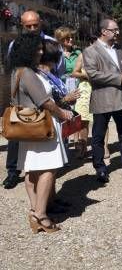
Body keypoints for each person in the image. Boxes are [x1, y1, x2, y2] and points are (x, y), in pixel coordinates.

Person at [9, 33, 74, 233]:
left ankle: (35, 209)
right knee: (48, 169)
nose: (40, 51)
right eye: (37, 48)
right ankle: (41, 215)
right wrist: (63, 112)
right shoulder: (28, 72)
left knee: (32, 169)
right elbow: (44, 101)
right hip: (41, 126)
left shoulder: (17, 71)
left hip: (28, 127)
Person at [3, 11, 58, 189]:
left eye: (35, 25)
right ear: (22, 25)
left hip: (45, 93)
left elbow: (59, 68)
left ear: (41, 23)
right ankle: (13, 172)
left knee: (45, 138)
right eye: (28, 26)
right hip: (24, 97)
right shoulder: (15, 44)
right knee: (17, 132)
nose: (33, 28)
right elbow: (12, 69)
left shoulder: (50, 42)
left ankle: (47, 188)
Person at [82, 18, 122, 183]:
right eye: (114, 29)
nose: (117, 32)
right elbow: (93, 75)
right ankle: (100, 168)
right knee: (98, 136)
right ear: (104, 31)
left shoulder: (119, 48)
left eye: (117, 29)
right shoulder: (90, 51)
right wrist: (118, 78)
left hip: (121, 98)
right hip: (102, 99)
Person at [54, 26, 89, 158]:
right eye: (67, 38)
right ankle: (65, 148)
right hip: (61, 89)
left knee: (80, 115)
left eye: (71, 37)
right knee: (65, 116)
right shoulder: (56, 54)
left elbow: (82, 70)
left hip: (78, 87)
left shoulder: (78, 53)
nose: (71, 39)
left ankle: (81, 146)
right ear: (60, 40)